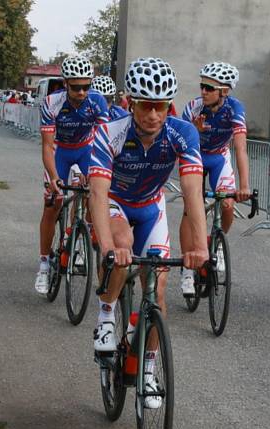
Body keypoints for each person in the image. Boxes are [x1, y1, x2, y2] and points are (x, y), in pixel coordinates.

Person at [89, 58, 208, 408]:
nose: (153, 115)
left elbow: (192, 192)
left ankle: (148, 368)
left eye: (160, 106)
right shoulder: (110, 131)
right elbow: (97, 193)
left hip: (150, 207)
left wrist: (199, 248)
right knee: (122, 247)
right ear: (131, 102)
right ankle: (107, 314)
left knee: (157, 292)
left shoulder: (182, 133)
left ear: (169, 105)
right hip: (115, 203)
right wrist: (108, 247)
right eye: (145, 105)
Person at [35, 56, 109, 295]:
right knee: (52, 203)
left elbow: (102, 142)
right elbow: (47, 146)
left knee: (93, 193)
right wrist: (54, 177)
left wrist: (93, 174)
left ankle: (78, 237)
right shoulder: (51, 103)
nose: (81, 92)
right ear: (65, 83)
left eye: (86, 86)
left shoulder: (97, 102)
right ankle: (44, 264)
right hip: (60, 151)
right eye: (76, 87)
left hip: (87, 149)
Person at [178, 61, 250, 296]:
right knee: (190, 210)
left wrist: (244, 186)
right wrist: (193, 131)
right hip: (195, 158)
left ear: (224, 91)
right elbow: (178, 143)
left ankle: (216, 243)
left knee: (228, 204)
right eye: (202, 86)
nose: (203, 92)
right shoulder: (192, 108)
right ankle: (187, 270)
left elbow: (240, 149)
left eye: (209, 88)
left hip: (219, 157)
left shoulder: (235, 109)